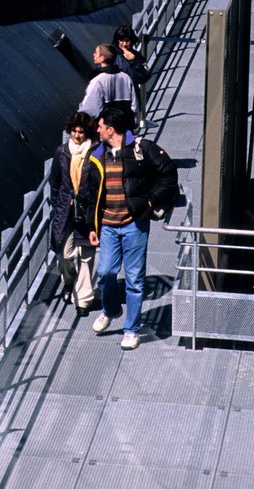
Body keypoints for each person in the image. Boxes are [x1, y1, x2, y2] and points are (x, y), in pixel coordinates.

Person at [89, 106, 178, 349]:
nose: (96, 129)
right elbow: (91, 196)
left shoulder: (142, 149)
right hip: (107, 225)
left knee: (135, 279)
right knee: (106, 273)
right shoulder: (97, 155)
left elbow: (168, 173)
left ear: (111, 128)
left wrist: (150, 201)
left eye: (100, 125)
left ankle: (131, 329)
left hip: (134, 224)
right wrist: (92, 226)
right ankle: (110, 310)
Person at [48, 111, 103, 313]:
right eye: (74, 131)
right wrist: (60, 202)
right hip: (67, 211)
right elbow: (56, 181)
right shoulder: (62, 152)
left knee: (87, 256)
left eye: (81, 132)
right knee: (66, 255)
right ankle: (69, 282)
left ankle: (83, 300)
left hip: (88, 211)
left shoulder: (96, 152)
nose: (77, 135)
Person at [78, 42, 137, 122]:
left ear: (102, 58)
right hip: (124, 126)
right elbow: (134, 105)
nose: (93, 54)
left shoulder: (97, 80)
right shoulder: (126, 77)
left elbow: (90, 108)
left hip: (106, 128)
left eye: (96, 53)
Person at [113, 25, 151, 133]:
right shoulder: (111, 55)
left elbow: (145, 76)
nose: (124, 44)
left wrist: (133, 61)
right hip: (114, 98)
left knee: (129, 131)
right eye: (121, 40)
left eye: (127, 40)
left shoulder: (137, 56)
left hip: (130, 98)